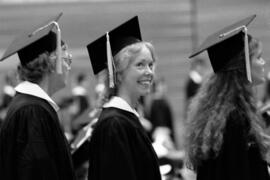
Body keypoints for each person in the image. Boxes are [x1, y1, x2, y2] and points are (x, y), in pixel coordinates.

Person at [185, 14, 270, 180]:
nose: (263, 63)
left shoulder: (223, 115)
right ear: (243, 65)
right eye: (258, 57)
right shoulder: (235, 120)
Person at [0, 13, 76, 180]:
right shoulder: (32, 111)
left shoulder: (31, 106)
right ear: (50, 61)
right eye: (65, 56)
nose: (68, 64)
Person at [86, 16, 161, 180]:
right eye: (140, 65)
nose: (149, 71)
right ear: (118, 74)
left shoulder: (126, 117)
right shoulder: (115, 124)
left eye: (150, 64)